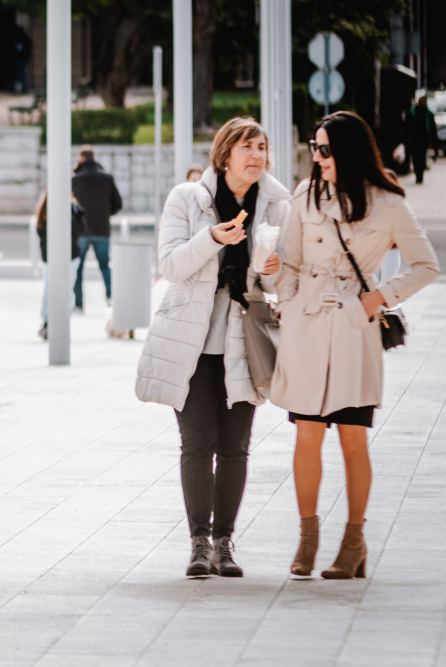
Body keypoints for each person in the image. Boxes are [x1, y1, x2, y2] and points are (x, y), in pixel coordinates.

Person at [273, 112, 439, 579]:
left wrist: (376, 299)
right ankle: (307, 539)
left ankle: (353, 542)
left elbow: (427, 265)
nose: (317, 157)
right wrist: (288, 308)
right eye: (314, 147)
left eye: (325, 149)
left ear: (347, 150)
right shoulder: (305, 196)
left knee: (352, 438)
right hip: (308, 326)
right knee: (307, 434)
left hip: (352, 328)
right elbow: (289, 262)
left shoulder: (387, 202)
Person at [136, 117, 290, 578]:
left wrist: (273, 271)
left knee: (236, 447)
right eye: (247, 147)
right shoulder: (188, 199)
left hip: (245, 343)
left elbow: (278, 283)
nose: (257, 156)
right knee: (197, 443)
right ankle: (199, 543)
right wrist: (211, 239)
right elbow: (170, 266)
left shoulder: (275, 207)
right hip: (192, 341)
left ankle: (225, 541)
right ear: (225, 155)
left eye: (262, 147)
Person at [71, 147, 122, 309]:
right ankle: (111, 299)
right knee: (105, 266)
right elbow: (118, 203)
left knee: (78, 268)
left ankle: (78, 303)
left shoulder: (75, 179)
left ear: (81, 159)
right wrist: (105, 214)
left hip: (81, 230)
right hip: (102, 229)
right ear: (94, 158)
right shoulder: (107, 178)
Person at [36, 192, 84, 340]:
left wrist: (72, 211)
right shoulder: (45, 210)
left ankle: (60, 323)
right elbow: (41, 230)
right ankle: (47, 322)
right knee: (50, 289)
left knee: (64, 290)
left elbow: (80, 229)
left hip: (69, 257)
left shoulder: (72, 209)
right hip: (51, 258)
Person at [405, 95, 434, 184]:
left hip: (423, 141)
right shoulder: (412, 113)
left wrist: (433, 141)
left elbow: (432, 128)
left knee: (421, 158)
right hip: (414, 140)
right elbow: (407, 127)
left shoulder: (428, 114)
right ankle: (417, 174)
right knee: (415, 158)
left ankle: (420, 176)